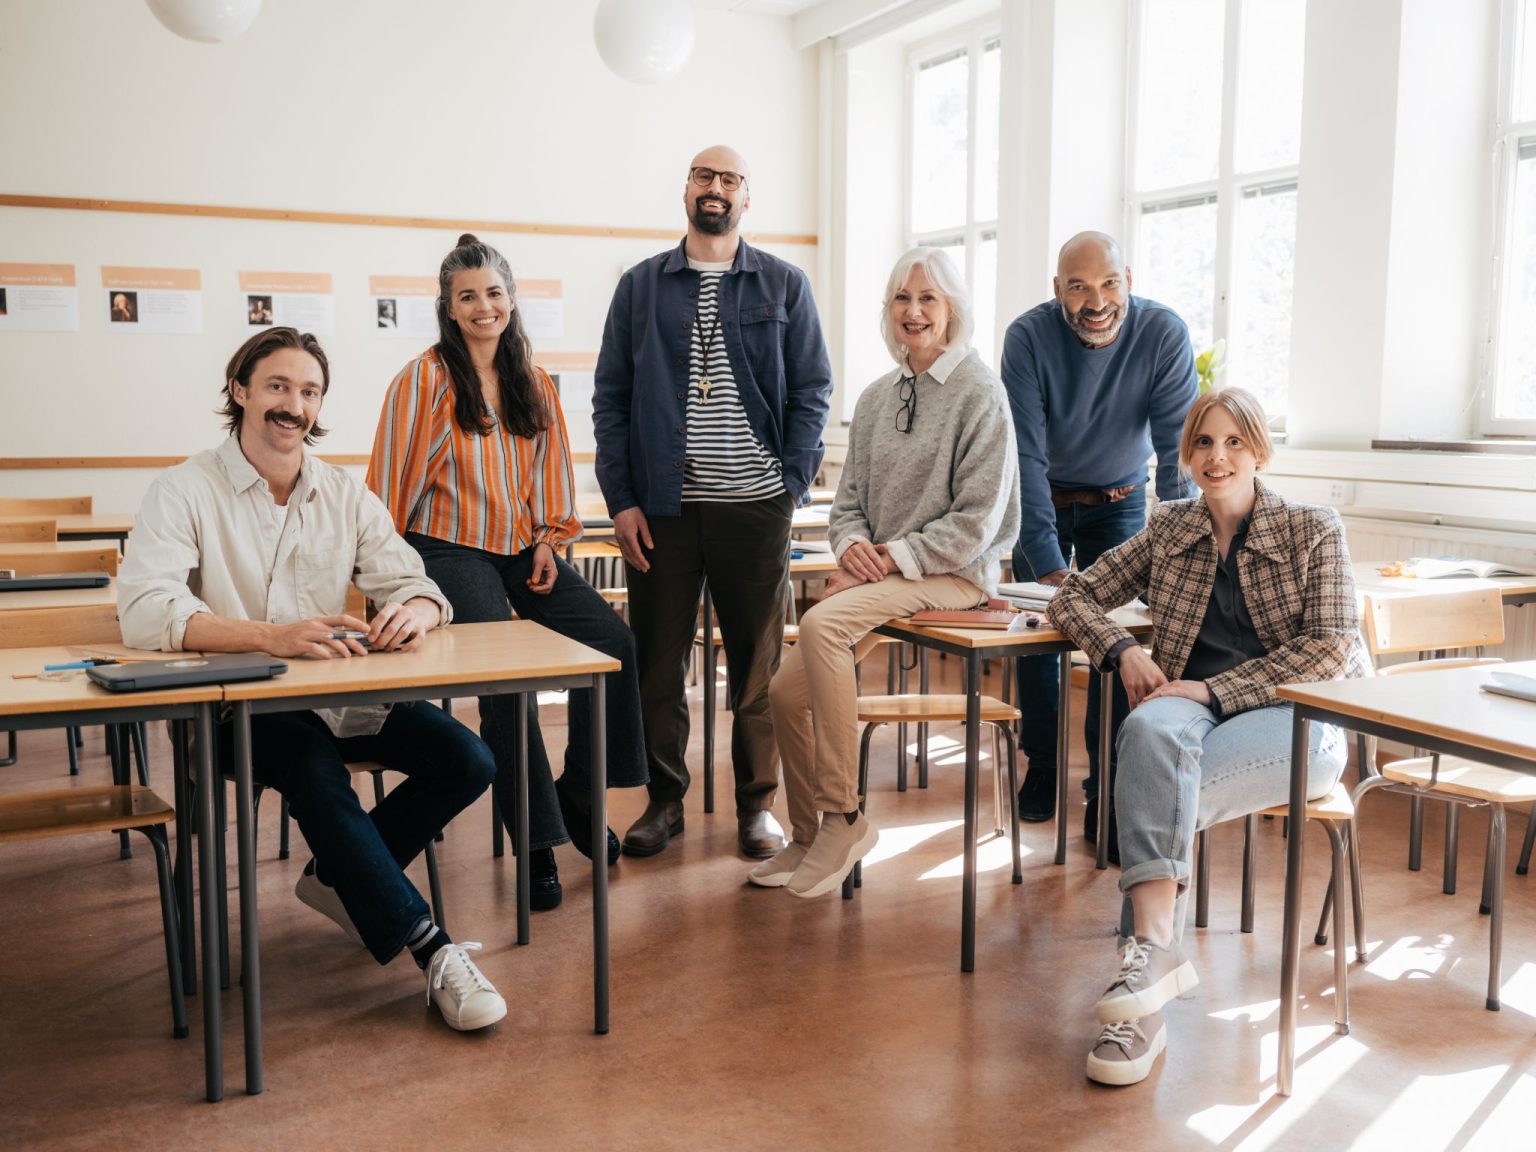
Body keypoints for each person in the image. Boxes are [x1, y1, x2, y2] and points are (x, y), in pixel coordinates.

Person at [117, 327, 506, 1032]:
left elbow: (413, 582)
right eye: (277, 386)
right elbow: (147, 612)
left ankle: (339, 879)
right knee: (313, 768)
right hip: (241, 705)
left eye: (308, 391)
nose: (293, 404)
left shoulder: (344, 493)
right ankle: (433, 949)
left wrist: (412, 612)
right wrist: (270, 636)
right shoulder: (182, 489)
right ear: (240, 391)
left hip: (342, 695)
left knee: (469, 758)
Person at [1046, 386, 1370, 1085]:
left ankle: (1141, 1005)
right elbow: (1071, 595)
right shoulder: (1172, 529)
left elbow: (1333, 650)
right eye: (1202, 442)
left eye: (1233, 441)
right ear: (1185, 455)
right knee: (1148, 733)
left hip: (1300, 718)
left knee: (1157, 789)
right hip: (1193, 711)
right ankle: (1156, 965)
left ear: (1259, 450)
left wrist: (1212, 688)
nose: (1217, 457)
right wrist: (1122, 652)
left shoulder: (1315, 527)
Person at [368, 234, 646, 911]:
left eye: (493, 292)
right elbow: (385, 489)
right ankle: (538, 843)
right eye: (468, 296)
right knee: (509, 681)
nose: (483, 305)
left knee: (612, 643)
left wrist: (551, 540)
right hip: (445, 549)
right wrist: (389, 578)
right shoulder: (424, 378)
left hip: (523, 548)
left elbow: (549, 475)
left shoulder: (534, 379)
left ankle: (580, 791)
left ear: (512, 299)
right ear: (449, 307)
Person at [754, 247, 1020, 896]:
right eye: (903, 298)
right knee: (786, 693)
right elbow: (847, 505)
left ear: (953, 308)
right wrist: (855, 548)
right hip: (888, 575)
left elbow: (976, 522)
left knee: (821, 626)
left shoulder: (980, 392)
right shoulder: (877, 398)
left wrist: (891, 558)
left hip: (957, 574)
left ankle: (845, 817)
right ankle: (809, 833)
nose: (915, 311)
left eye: (929, 298)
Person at [593, 145, 833, 860]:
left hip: (755, 506)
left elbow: (813, 388)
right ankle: (665, 802)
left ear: (746, 198)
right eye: (705, 175)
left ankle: (755, 808)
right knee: (657, 667)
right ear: (687, 189)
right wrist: (623, 499)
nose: (716, 189)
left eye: (730, 179)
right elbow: (610, 399)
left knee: (754, 671)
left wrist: (791, 481)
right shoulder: (640, 287)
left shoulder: (784, 284)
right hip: (663, 508)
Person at [1001, 231, 1199, 848]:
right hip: (1045, 504)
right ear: (1057, 289)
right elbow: (1025, 458)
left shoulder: (1163, 333)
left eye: (1109, 283)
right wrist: (1049, 566)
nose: (1096, 300)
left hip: (1120, 503)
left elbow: (1178, 454)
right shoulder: (1028, 338)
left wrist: (1184, 550)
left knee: (1114, 646)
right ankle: (1043, 766)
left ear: (1129, 281)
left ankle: (1107, 790)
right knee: (1041, 640)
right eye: (1079, 286)